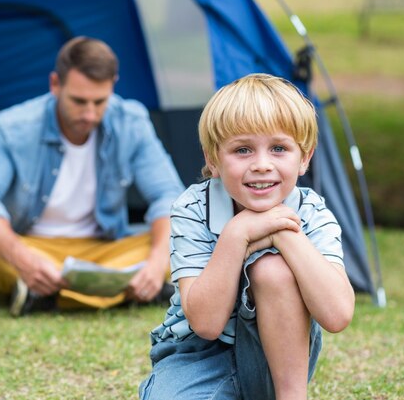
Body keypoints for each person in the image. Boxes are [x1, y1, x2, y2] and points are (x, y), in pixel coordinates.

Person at [138, 74, 355, 400]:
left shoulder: (311, 211)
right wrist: (236, 234)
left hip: (278, 357)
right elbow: (206, 324)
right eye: (242, 150)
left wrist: (285, 234)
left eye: (279, 148)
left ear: (305, 158)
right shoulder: (192, 208)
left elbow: (337, 315)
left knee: (273, 270)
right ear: (213, 159)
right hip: (198, 355)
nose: (262, 165)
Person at [0, 36, 184, 316]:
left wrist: (156, 262)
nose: (89, 114)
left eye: (100, 102)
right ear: (55, 85)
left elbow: (169, 195)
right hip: (36, 248)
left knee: (178, 246)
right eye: (78, 101)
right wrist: (21, 257)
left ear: (113, 85)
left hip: (104, 251)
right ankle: (119, 291)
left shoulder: (132, 122)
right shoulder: (13, 126)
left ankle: (47, 294)